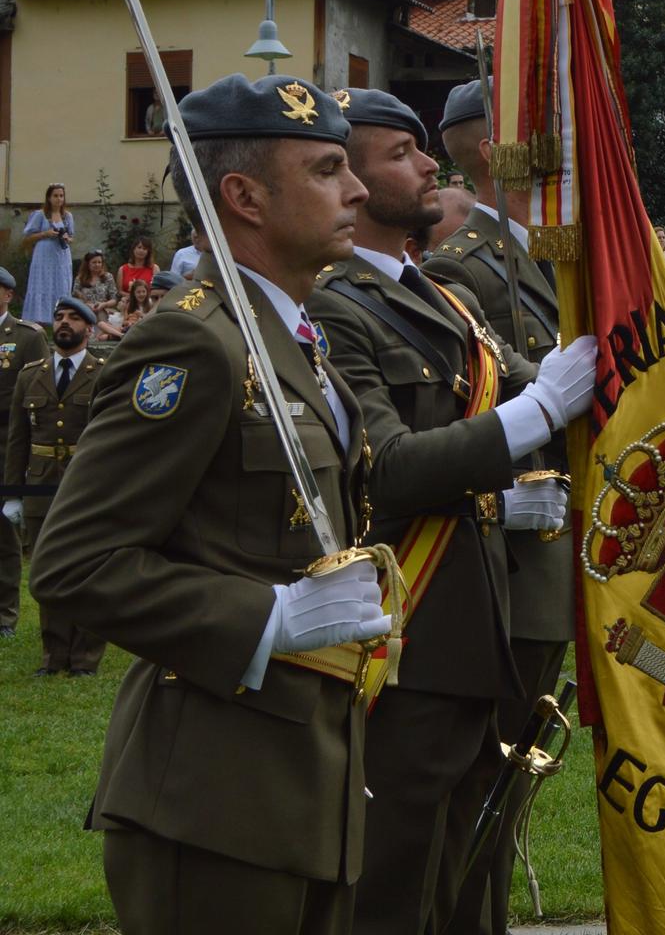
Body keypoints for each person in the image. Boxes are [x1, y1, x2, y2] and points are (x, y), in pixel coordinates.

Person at [28, 74, 386, 935]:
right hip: (215, 797)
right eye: (329, 169)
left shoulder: (296, 337)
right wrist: (269, 617)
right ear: (244, 196)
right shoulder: (197, 338)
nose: (359, 188)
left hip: (309, 783)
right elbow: (74, 564)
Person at [308, 89, 596, 935]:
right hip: (414, 628)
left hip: (477, 624)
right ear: (349, 183)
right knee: (399, 882)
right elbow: (391, 466)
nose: (429, 162)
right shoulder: (336, 305)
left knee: (466, 873)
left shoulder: (439, 302)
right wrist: (540, 409)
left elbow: (503, 397)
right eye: (400, 153)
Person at [424, 77, 575, 931]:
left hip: (570, 545)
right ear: (495, 151)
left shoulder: (556, 253)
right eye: (546, 138)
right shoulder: (463, 271)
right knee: (487, 777)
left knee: (517, 779)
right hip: (516, 560)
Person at [8, 296, 107, 676]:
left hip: (87, 484)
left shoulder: (104, 373)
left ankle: (84, 659)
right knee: (47, 571)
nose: (64, 323)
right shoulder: (31, 374)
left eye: (73, 318)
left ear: (89, 329)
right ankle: (53, 657)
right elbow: (18, 440)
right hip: (42, 483)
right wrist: (12, 494)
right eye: (59, 317)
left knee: (88, 568)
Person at [0, 267, 45, 640]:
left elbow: (40, 390)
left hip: (5, 442)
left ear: (7, 296)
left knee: (4, 535)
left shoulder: (26, 337)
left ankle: (5, 616)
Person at [21, 182, 75, 324]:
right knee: (42, 283)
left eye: (61, 196)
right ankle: (39, 319)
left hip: (61, 255)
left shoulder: (67, 216)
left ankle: (60, 316)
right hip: (44, 255)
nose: (59, 199)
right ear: (49, 198)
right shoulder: (40, 215)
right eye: (55, 196)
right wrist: (45, 233)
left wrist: (66, 238)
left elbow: (71, 237)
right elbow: (27, 237)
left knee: (61, 284)